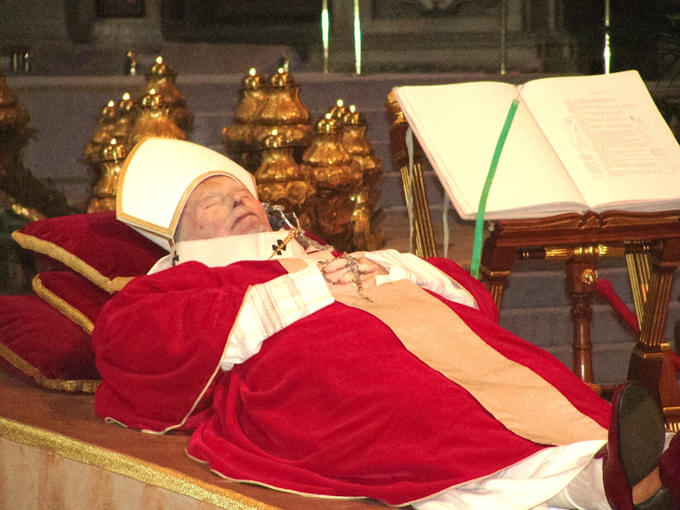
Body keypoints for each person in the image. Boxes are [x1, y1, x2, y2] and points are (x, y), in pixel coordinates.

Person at [94, 137, 680, 510]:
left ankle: (612, 459)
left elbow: (469, 296)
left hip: (416, 327)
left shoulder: (309, 244)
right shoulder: (175, 280)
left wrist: (391, 266)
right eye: (213, 204)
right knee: (421, 408)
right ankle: (606, 480)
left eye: (241, 193)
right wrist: (307, 287)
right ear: (180, 241)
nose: (240, 203)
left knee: (517, 364)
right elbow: (131, 339)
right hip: (309, 364)